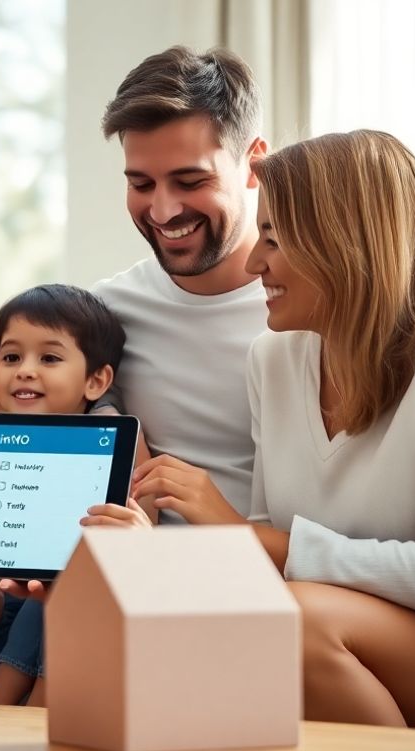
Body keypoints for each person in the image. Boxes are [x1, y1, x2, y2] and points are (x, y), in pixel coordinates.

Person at [130, 129, 415, 734]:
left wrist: (247, 536)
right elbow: (267, 549)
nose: (253, 264)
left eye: (273, 239)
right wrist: (133, 564)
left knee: (292, 618)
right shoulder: (272, 361)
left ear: (345, 242)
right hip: (338, 638)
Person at [0, 284, 153, 707]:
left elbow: (142, 528)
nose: (25, 370)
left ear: (96, 381)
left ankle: (14, 706)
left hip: (75, 605)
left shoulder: (114, 433)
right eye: (11, 357)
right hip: (5, 608)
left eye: (49, 358)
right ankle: (2, 707)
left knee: (65, 583)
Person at [91, 46, 270, 520]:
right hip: (139, 577)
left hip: (271, 579)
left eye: (190, 181)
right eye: (141, 184)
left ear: (254, 164)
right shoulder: (106, 313)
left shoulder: (309, 312)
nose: (163, 211)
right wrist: (106, 420)